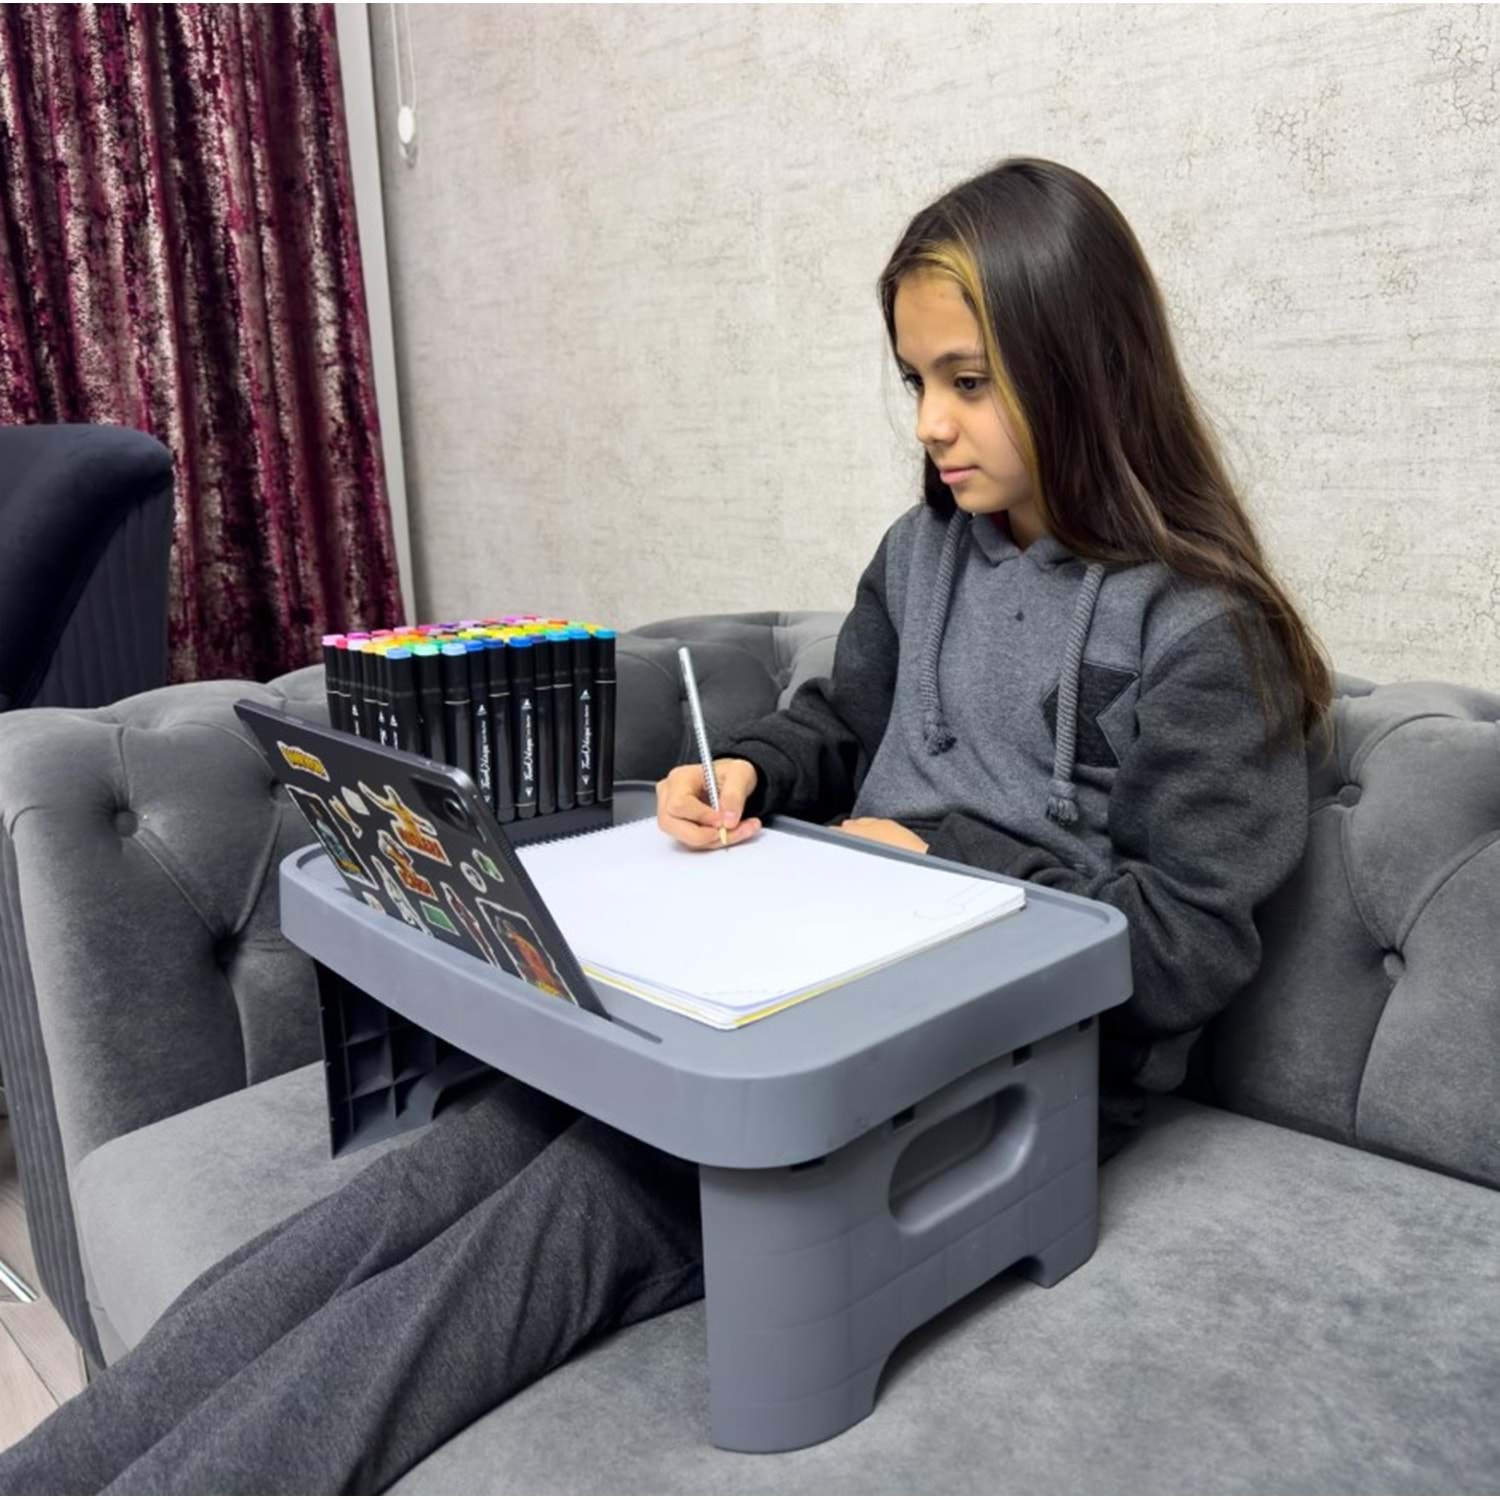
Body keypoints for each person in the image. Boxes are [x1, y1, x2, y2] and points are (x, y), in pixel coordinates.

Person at [0, 156, 1329, 1495]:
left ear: (1087, 368)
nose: (931, 422)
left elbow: (1188, 944)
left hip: (1001, 1071)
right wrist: (748, 771)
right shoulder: (922, 551)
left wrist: (949, 868)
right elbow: (842, 721)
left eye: (968, 381)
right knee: (417, 1188)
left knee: (518, 1247)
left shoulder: (1206, 633)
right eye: (915, 379)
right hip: (813, 995)